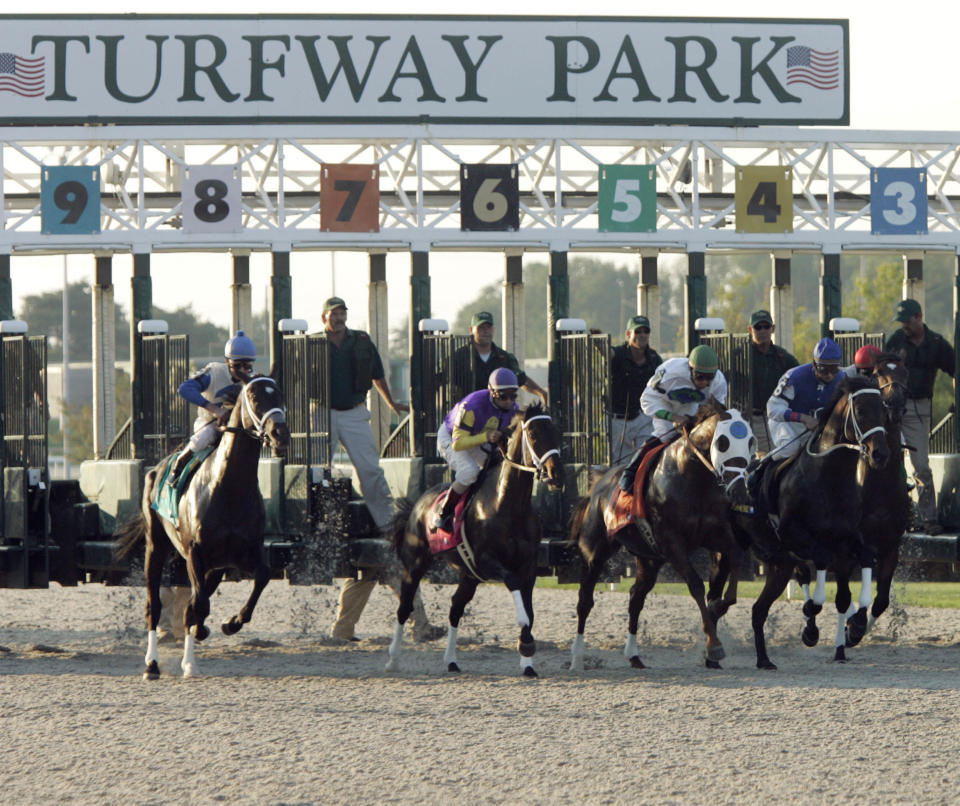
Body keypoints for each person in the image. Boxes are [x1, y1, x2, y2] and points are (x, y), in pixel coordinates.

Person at [321, 296, 443, 642]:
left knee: (371, 472)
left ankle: (384, 517)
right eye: (335, 314)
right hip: (324, 411)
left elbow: (377, 374)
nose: (340, 317)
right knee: (321, 472)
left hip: (355, 410)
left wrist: (390, 405)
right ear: (325, 317)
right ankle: (321, 512)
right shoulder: (314, 344)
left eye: (344, 312)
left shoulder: (361, 342)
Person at [885, 298, 956, 535]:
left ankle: (929, 519)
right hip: (893, 406)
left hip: (919, 407)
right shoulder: (895, 340)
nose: (904, 325)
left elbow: (955, 369)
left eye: (907, 320)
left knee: (921, 465)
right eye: (902, 321)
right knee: (885, 460)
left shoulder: (936, 344)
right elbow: (882, 371)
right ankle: (894, 516)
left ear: (919, 317)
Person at [618, 344, 728, 492]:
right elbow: (646, 400)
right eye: (699, 376)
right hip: (664, 403)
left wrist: (699, 416)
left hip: (692, 406)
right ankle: (630, 473)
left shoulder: (719, 382)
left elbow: (717, 410)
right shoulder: (670, 373)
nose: (704, 383)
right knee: (665, 435)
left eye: (710, 377)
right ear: (690, 369)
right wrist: (673, 417)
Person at [432, 367, 521, 532]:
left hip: (478, 438)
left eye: (513, 395)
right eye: (503, 396)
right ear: (492, 392)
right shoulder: (472, 405)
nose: (509, 401)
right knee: (469, 472)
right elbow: (458, 444)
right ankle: (443, 513)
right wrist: (486, 437)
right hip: (452, 437)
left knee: (499, 470)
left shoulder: (514, 409)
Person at [167, 329, 257, 487]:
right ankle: (178, 467)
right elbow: (184, 389)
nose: (243, 370)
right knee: (206, 435)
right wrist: (213, 409)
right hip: (209, 423)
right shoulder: (214, 372)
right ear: (227, 361)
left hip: (237, 428)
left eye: (247, 366)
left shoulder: (253, 380)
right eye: (238, 365)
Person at [765, 337, 844, 461]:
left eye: (834, 369)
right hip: (785, 423)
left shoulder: (842, 379)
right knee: (790, 448)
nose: (829, 375)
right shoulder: (795, 377)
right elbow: (772, 409)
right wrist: (803, 418)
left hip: (813, 427)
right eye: (824, 369)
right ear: (814, 364)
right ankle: (761, 467)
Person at [451, 311, 548, 405]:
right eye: (481, 328)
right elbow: (439, 379)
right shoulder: (458, 357)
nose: (486, 331)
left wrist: (542, 393)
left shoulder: (504, 358)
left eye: (488, 327)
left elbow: (521, 379)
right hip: (466, 413)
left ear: (493, 329)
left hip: (497, 414)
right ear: (471, 329)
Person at [609, 314, 663, 463]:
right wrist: (599, 342)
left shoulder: (654, 358)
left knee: (647, 457)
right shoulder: (619, 353)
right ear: (628, 334)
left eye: (646, 331)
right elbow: (606, 353)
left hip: (643, 417)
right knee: (621, 464)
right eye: (638, 331)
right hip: (619, 420)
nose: (642, 335)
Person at [746, 309, 798, 454]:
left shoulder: (783, 357)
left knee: (780, 456)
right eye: (758, 327)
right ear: (750, 330)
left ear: (772, 328)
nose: (762, 331)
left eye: (766, 327)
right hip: (751, 418)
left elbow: (799, 378)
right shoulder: (741, 355)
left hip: (777, 419)